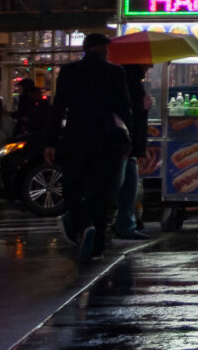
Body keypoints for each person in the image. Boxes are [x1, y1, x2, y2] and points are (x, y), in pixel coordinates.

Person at [48, 33, 134, 257]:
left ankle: (85, 225)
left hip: (76, 137)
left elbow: (58, 107)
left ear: (86, 48)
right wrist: (127, 138)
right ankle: (97, 246)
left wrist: (51, 141)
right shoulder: (115, 72)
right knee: (100, 193)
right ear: (104, 49)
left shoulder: (69, 72)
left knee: (71, 188)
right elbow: (124, 109)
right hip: (106, 140)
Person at [112, 65, 151, 242]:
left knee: (129, 188)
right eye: (146, 65)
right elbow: (131, 117)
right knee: (113, 187)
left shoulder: (133, 85)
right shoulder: (128, 85)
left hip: (129, 146)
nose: (148, 67)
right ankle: (74, 219)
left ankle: (125, 226)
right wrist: (143, 106)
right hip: (123, 146)